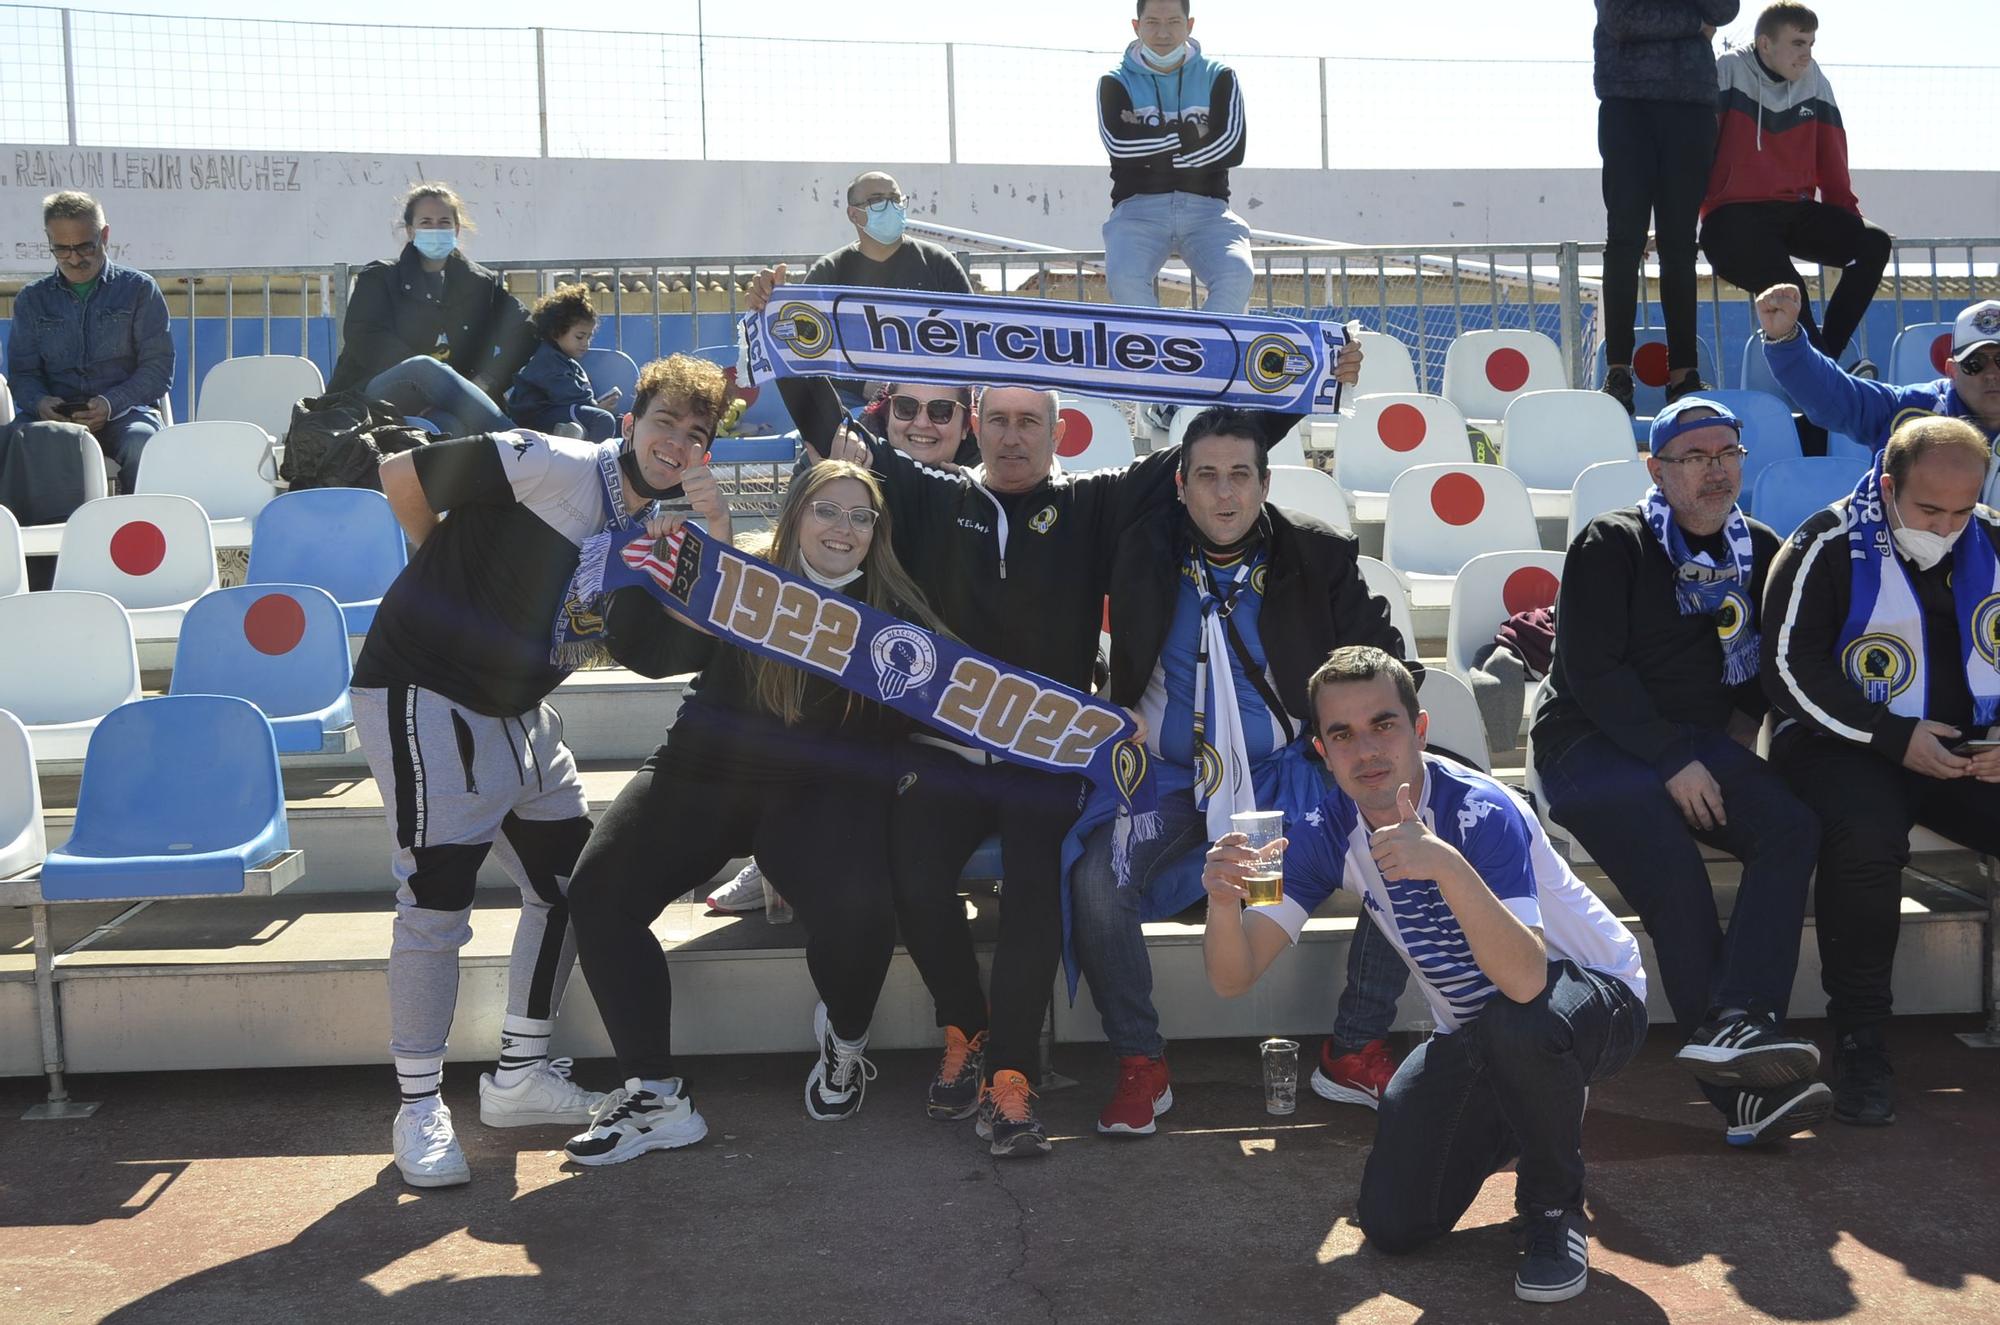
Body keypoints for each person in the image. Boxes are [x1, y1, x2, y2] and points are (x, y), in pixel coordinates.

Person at [349, 354, 727, 1188]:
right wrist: (439, 566)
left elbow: (664, 646)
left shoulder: (651, 530)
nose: (677, 441)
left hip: (517, 708)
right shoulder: (547, 460)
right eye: (665, 420)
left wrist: (715, 533)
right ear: (631, 420)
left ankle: (518, 1074)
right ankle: (417, 1105)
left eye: (696, 434)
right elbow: (400, 471)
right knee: (436, 900)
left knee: (572, 884)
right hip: (426, 687)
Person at [1203, 647, 1649, 1304]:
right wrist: (1221, 899)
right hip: (1478, 1033)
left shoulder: (1480, 811)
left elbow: (1527, 979)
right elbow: (1234, 976)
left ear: (1420, 728)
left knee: (1521, 1025)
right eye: (1342, 734)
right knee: (1393, 1223)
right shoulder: (1327, 829)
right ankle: (1530, 1099)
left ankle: (1553, 1209)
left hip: (1595, 995)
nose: (1366, 749)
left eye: (1384, 724)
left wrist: (1442, 863)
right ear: (1323, 753)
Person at [562, 461, 951, 1164]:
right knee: (598, 890)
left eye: (861, 517)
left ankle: (846, 1037)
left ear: (877, 533)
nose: (844, 528)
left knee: (862, 912)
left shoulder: (895, 613)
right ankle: (655, 1094)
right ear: (797, 514)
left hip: (815, 790)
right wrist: (669, 566)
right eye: (827, 510)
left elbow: (941, 710)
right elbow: (655, 651)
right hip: (705, 767)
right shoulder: (739, 577)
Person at [1073, 403, 1413, 1137]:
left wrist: (1392, 742)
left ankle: (1354, 1046)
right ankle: (1140, 1062)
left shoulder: (1315, 554)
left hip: (1284, 780)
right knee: (1098, 881)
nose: (1223, 494)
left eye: (1239, 476)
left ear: (1263, 484)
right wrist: (1104, 699)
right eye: (1206, 477)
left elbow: (1382, 657)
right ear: (1181, 486)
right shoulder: (1137, 548)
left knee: (1406, 850)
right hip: (1165, 778)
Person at [1532, 396, 1829, 1145]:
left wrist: (1726, 735)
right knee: (1676, 874)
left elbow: (1766, 664)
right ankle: (1744, 1102)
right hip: (1588, 744)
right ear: (1657, 470)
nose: (1714, 470)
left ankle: (1741, 1020)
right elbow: (1592, 672)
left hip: (1689, 746)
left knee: (1791, 827)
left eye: (1727, 454)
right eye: (1694, 458)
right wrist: (1673, 758)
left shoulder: (1757, 546)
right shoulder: (1614, 542)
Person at [1762, 417, 2000, 1126]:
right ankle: (1862, 1037)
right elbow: (1785, 670)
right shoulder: (1824, 544)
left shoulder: (1993, 536)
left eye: (1964, 509)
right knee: (1865, 844)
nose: (1949, 527)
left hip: (1968, 745)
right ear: (1889, 486)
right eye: (1930, 510)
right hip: (1846, 744)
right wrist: (1892, 736)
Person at [699, 376, 984, 916]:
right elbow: (808, 398)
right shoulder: (850, 464)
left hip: (931, 709)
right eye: (906, 406)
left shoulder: (981, 489)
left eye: (941, 410)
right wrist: (779, 319)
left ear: (965, 422)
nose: (922, 422)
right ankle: (772, 852)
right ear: (884, 409)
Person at [1698, 3, 1890, 369]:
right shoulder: (1729, 70)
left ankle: (1827, 369)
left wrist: (1847, 218)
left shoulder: (1813, 79)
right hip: (1731, 218)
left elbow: (1831, 155)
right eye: (1798, 43)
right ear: (1765, 43)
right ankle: (1831, 380)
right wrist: (1670, 222)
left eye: (1812, 44)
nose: (1807, 54)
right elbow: (1694, 153)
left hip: (1791, 210)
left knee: (1873, 243)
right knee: (1791, 289)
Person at [1593, 1, 1739, 414]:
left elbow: (1725, 10)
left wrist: (1697, 20)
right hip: (1626, 104)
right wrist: (1693, 22)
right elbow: (1622, 20)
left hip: (1690, 106)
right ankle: (1618, 371)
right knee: (1624, 240)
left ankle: (1684, 375)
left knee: (1679, 245)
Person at [2, 191, 172, 502]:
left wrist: (110, 403)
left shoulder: (139, 290)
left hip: (125, 414)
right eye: (62, 250)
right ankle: (30, 546)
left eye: (84, 247)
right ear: (48, 240)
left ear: (104, 235)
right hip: (52, 418)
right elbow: (22, 374)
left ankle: (139, 535)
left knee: (144, 445)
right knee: (12, 442)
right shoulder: (31, 299)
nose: (75, 258)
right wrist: (41, 403)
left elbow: (158, 370)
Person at [327, 182, 535, 437]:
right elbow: (365, 337)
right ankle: (524, 444)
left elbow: (526, 329)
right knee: (423, 368)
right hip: (379, 393)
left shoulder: (480, 282)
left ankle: (517, 460)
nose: (435, 229)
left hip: (449, 401)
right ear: (410, 230)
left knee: (451, 428)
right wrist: (433, 383)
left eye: (444, 222)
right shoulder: (380, 277)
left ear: (457, 229)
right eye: (426, 222)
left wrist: (488, 379)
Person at [1097, 0, 1252, 315]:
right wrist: (1191, 136)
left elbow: (1232, 148)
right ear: (1136, 26)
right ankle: (1161, 354)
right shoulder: (1114, 81)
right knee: (1124, 278)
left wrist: (1150, 146)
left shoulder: (1220, 76)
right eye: (1152, 22)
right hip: (1136, 211)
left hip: (1209, 210)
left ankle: (1201, 350)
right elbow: (1119, 147)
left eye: (1173, 22)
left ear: (1189, 25)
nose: (1163, 33)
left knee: (1237, 275)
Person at [1759, 289, 2000, 459]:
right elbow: (1832, 393)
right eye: (1975, 362)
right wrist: (1786, 341)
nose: (1991, 374)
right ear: (1951, 371)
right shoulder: (1910, 409)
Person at [507, 283, 622, 442]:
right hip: (538, 419)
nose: (585, 343)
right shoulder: (548, 359)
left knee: (623, 422)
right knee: (603, 419)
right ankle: (593, 463)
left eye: (589, 337)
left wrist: (596, 406)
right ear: (556, 332)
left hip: (560, 412)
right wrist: (597, 408)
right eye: (580, 337)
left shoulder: (565, 360)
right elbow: (568, 397)